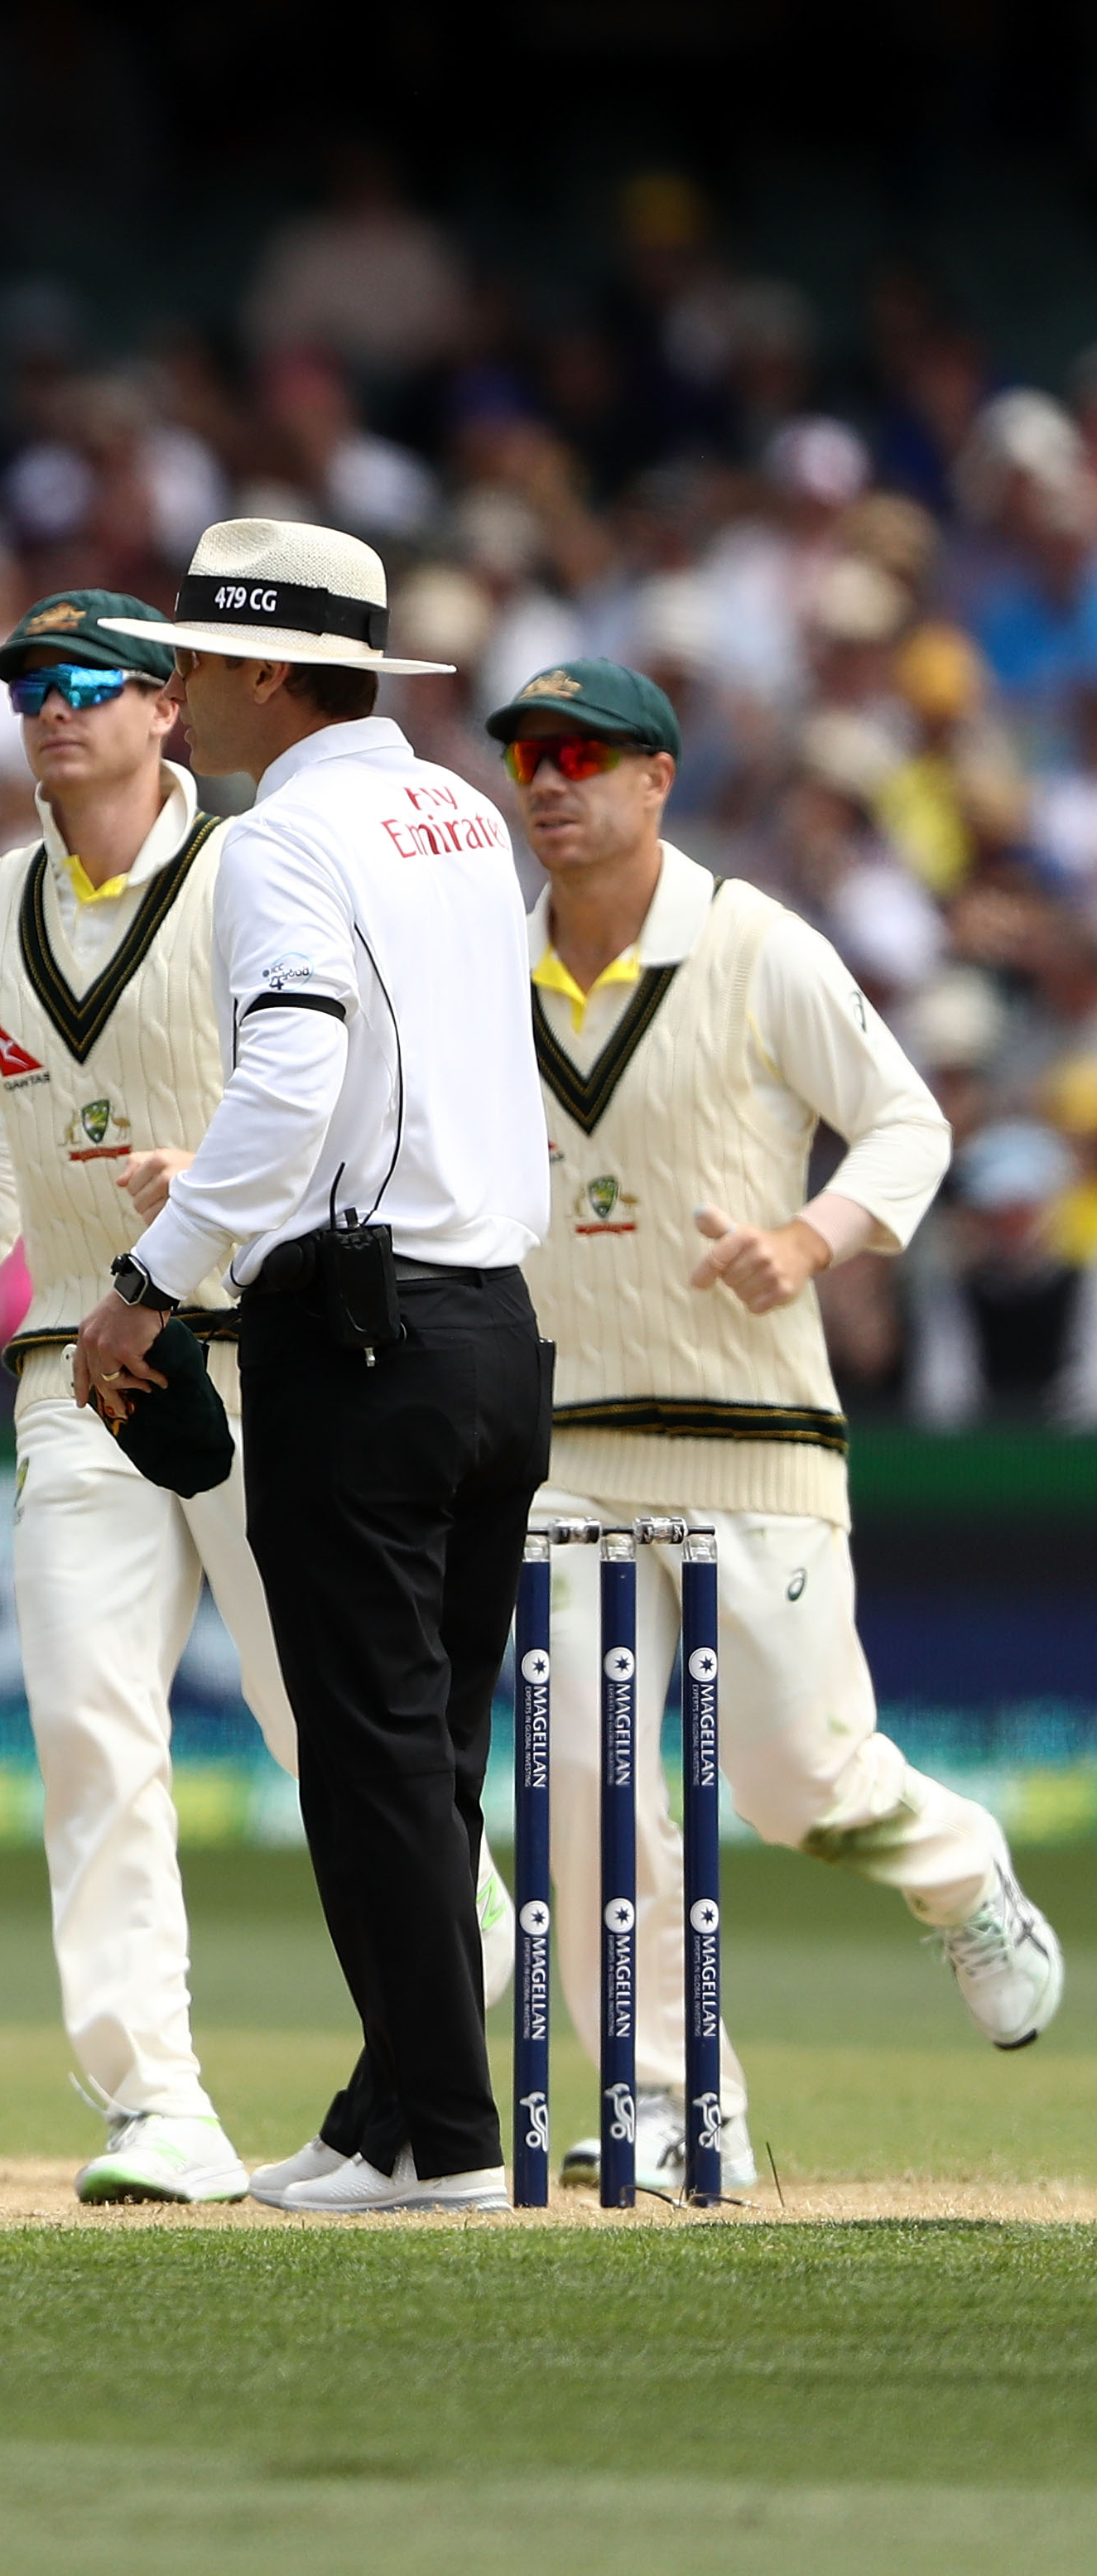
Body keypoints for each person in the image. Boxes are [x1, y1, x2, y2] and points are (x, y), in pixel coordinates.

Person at [495, 654, 1061, 2179]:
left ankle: (961, 1871)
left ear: (658, 777)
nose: (550, 780)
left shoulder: (756, 946)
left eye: (586, 756)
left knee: (801, 1786)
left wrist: (809, 1241)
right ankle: (691, 2111)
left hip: (754, 1433)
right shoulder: (486, 965)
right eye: (531, 754)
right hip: (567, 1452)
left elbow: (910, 1122)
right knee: (578, 1796)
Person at [86, 518, 544, 2215]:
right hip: (492, 1323)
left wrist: (147, 1282)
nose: (179, 689)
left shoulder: (280, 838)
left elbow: (288, 1084)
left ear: (267, 670)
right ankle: (376, 2117)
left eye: (195, 659)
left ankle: (442, 2139)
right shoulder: (457, 813)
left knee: (366, 1756)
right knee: (423, 1756)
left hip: (355, 1327)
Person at [0, 591, 297, 2202]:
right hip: (74, 1362)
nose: (49, 711)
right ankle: (156, 2103)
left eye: (85, 686)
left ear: (164, 715)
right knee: (87, 1725)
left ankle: (455, 1948)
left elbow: (327, 1085)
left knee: (319, 1715)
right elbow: (19, 1098)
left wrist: (204, 1177)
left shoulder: (249, 874)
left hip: (260, 1342)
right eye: (26, 690)